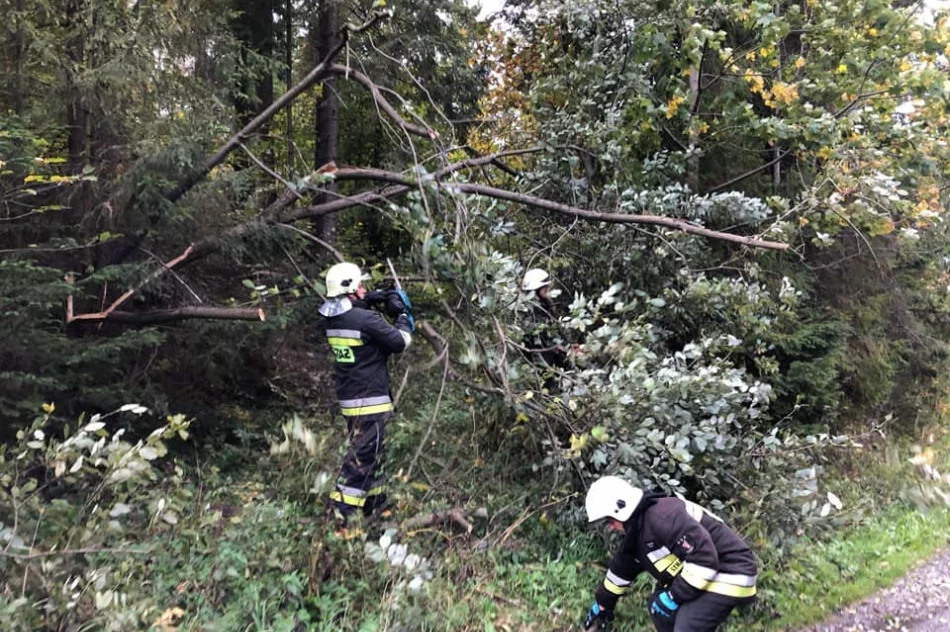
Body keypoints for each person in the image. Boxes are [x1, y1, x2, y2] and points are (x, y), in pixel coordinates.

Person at [582, 476, 757, 632]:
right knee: (658, 609)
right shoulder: (638, 530)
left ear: (622, 508)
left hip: (732, 570)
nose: (611, 526)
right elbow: (622, 569)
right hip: (710, 572)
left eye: (610, 520)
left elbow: (704, 559)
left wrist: (674, 596)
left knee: (688, 624)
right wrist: (603, 603)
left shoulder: (664, 517)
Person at [318, 261, 414, 522]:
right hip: (371, 403)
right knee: (360, 461)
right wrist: (403, 316)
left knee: (373, 457)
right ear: (350, 290)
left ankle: (375, 512)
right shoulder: (366, 320)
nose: (364, 288)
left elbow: (353, 315)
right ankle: (340, 518)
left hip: (350, 401)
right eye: (361, 286)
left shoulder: (331, 319)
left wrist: (372, 298)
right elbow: (400, 342)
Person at [521, 268, 568, 389]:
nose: (547, 289)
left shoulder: (546, 304)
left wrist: (566, 346)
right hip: (539, 355)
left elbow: (555, 329)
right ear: (535, 290)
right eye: (544, 287)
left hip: (551, 352)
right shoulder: (527, 311)